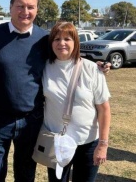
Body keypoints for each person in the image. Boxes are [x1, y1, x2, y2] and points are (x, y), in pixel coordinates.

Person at [0, 0, 110, 182]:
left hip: (32, 119)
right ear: (10, 7)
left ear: (37, 10)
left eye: (31, 7)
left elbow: (66, 55)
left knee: (26, 173)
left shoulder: (44, 39)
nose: (25, 12)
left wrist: (95, 65)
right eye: (20, 6)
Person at [43, 22, 111, 182]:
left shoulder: (92, 69)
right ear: (51, 42)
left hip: (87, 142)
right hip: (57, 142)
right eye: (57, 39)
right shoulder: (44, 66)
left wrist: (103, 144)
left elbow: (104, 110)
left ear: (76, 42)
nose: (62, 43)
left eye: (67, 39)